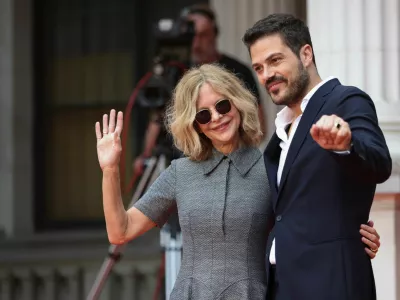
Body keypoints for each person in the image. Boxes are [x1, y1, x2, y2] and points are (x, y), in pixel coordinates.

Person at [95, 64, 381, 300]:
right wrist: (110, 170)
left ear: (238, 102)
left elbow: (312, 218)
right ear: (194, 124)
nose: (217, 118)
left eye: (222, 105)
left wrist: (356, 235)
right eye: (204, 115)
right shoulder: (179, 173)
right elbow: (120, 231)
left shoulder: (272, 166)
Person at [242, 13, 391, 300]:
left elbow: (378, 163)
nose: (265, 75)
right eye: (258, 67)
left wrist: (345, 144)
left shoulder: (345, 100)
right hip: (282, 285)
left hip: (331, 283)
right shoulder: (281, 131)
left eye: (275, 61)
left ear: (305, 54)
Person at [133, 3, 265, 175]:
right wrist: (145, 154)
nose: (196, 43)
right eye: (191, 37)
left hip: (228, 162)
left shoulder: (238, 71)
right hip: (180, 160)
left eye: (203, 35)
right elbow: (157, 116)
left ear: (215, 34)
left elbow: (259, 123)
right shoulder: (175, 72)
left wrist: (238, 155)